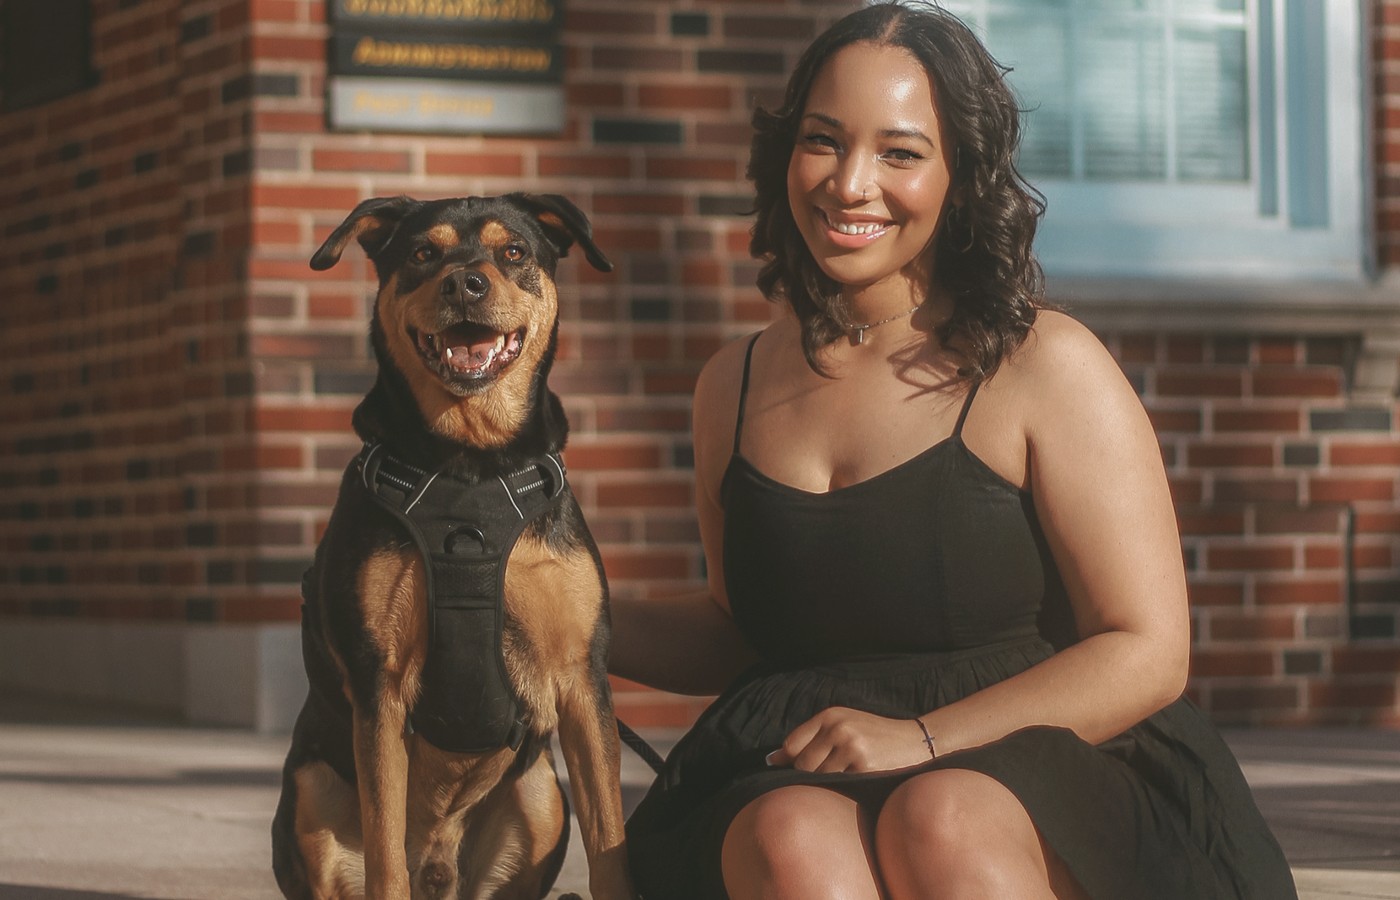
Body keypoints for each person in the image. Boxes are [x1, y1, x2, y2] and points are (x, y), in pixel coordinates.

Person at [609, 3, 1297, 898]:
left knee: (941, 817)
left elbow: (1148, 649)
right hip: (809, 759)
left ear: (962, 176)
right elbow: (750, 632)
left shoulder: (1045, 363)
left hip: (1042, 763)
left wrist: (924, 738)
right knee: (788, 836)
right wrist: (563, 613)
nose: (851, 183)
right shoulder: (729, 384)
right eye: (823, 140)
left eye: (900, 152)